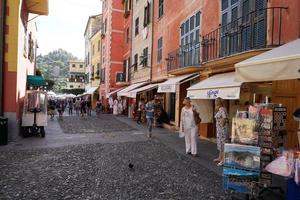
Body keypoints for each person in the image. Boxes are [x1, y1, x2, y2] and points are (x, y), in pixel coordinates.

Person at [214, 97, 229, 166]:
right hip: (220, 130)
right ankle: (220, 157)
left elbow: (225, 117)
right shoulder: (220, 109)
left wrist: (221, 125)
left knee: (223, 144)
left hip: (222, 130)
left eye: (216, 101)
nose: (215, 102)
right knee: (220, 144)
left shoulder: (222, 109)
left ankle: (223, 160)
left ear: (219, 102)